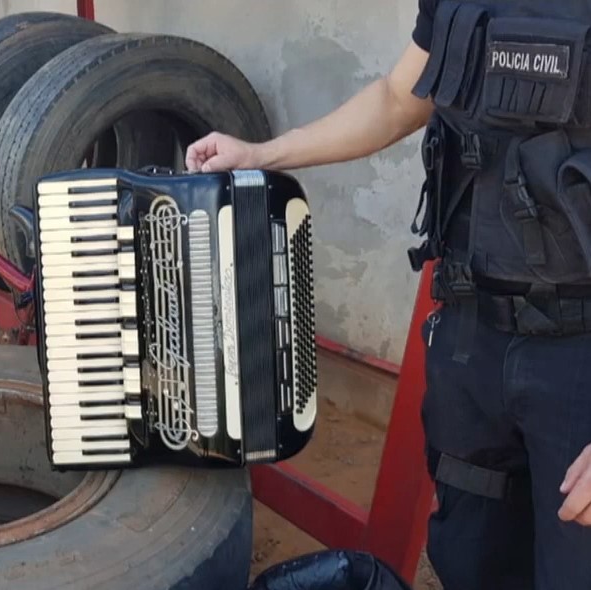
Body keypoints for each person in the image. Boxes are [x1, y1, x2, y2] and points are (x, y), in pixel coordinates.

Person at [186, 1, 591, 588]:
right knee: (473, 563)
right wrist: (260, 155)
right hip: (471, 345)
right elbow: (397, 101)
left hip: (577, 361)